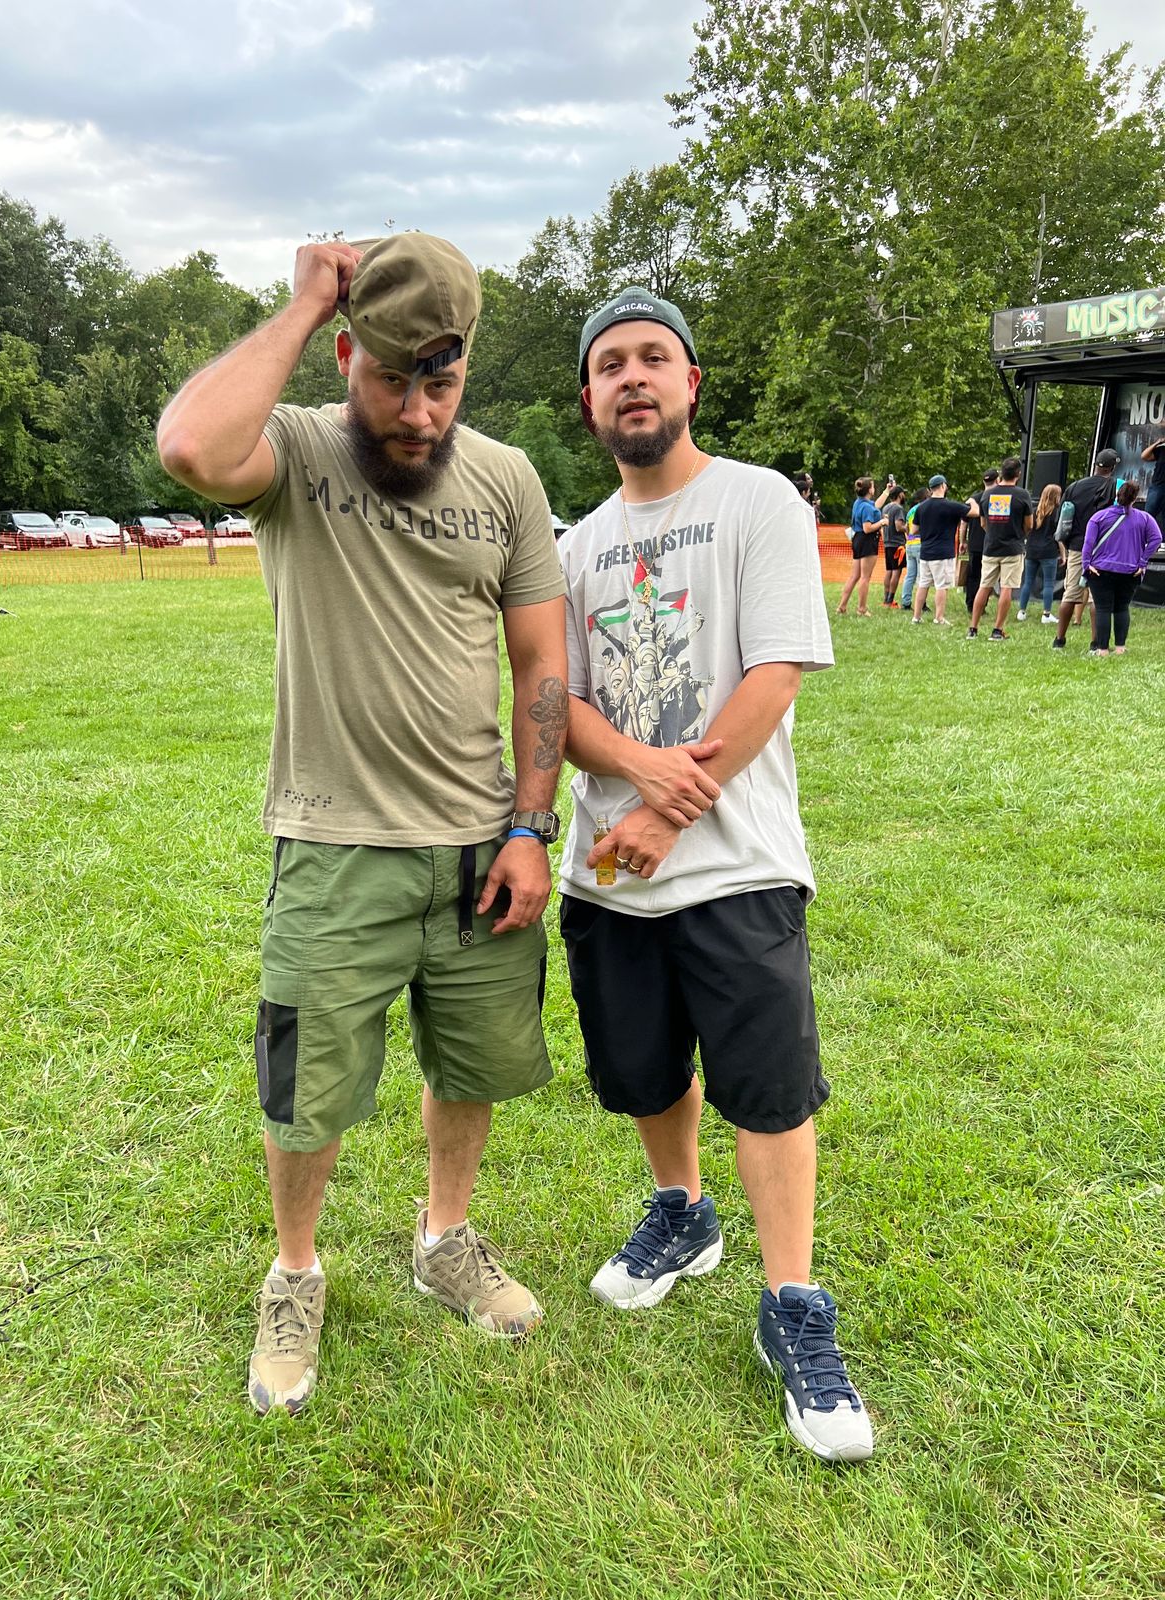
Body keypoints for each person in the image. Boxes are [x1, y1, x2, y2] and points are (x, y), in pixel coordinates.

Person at [157, 234, 568, 1416]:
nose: (419, 411)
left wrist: (531, 827)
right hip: (333, 846)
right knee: (306, 1088)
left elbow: (541, 664)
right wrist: (300, 305)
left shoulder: (508, 479)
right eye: (393, 379)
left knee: (471, 1062)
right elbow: (190, 446)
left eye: (443, 383)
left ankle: (445, 1239)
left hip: (480, 844)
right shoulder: (294, 450)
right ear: (346, 358)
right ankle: (295, 1274)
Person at [556, 285, 873, 1465]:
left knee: (771, 1088)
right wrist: (637, 791)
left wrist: (665, 811)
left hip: (739, 864)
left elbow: (775, 669)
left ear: (690, 382)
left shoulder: (758, 502)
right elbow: (560, 704)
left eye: (654, 357)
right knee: (643, 1071)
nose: (632, 377)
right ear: (589, 400)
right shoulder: (573, 548)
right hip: (609, 875)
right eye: (611, 365)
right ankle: (683, 1214)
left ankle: (792, 1301)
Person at [1081, 478, 1162, 655]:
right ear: (1135, 498)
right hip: (1131, 570)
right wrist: (1143, 561)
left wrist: (1086, 564)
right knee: (1122, 608)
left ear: (1116, 496)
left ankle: (1102, 649)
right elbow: (1156, 538)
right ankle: (1120, 647)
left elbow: (1088, 543)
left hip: (1101, 569)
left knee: (1103, 609)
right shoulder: (1144, 518)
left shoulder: (1099, 517)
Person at [1052, 448, 1118, 651]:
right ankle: (1096, 643)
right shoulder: (1115, 486)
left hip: (1077, 546)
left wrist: (1066, 542)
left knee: (1070, 594)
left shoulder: (1074, 487)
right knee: (1097, 597)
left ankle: (1059, 640)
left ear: (1095, 465)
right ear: (1113, 468)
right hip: (1103, 547)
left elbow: (1062, 518)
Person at [967, 456, 1034, 641]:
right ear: (1018, 474)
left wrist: (993, 533)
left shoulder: (987, 494)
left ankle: (973, 629)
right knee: (1006, 588)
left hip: (990, 547)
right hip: (1013, 548)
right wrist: (1019, 534)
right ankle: (997, 630)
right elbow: (1029, 524)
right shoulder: (1022, 495)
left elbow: (983, 523)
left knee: (984, 586)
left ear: (1001, 474)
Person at [911, 475, 977, 625]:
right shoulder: (951, 506)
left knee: (923, 584)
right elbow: (975, 512)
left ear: (930, 489)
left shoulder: (921, 507)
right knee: (942, 586)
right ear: (943, 486)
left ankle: (916, 617)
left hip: (925, 552)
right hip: (943, 553)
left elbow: (913, 530)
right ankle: (939, 617)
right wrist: (973, 501)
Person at [837, 474, 893, 616]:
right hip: (868, 541)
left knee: (854, 576)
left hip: (858, 540)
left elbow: (876, 506)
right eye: (873, 486)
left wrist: (887, 491)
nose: (874, 488)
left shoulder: (859, 503)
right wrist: (882, 522)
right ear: (869, 490)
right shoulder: (867, 508)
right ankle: (862, 609)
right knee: (865, 577)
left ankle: (842, 607)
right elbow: (867, 528)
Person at [1016, 484, 1062, 624]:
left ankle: (1022, 611)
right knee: (1049, 583)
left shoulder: (1034, 511)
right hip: (1049, 551)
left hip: (1031, 550)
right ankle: (1046, 614)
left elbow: (1027, 528)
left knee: (1028, 581)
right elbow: (1059, 535)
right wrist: (1064, 553)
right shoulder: (1057, 513)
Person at [963, 468, 999, 615]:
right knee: (988, 577)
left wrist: (963, 541)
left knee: (973, 575)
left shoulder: (974, 499)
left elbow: (964, 522)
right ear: (997, 480)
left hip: (974, 543)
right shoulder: (998, 499)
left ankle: (971, 603)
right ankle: (981, 606)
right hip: (991, 543)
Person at [900, 487, 928, 608]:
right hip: (920, 544)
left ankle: (906, 602)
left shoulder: (911, 510)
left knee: (910, 575)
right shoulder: (925, 509)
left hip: (910, 544)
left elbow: (907, 528)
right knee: (922, 576)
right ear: (925, 497)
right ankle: (921, 603)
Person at [881, 487, 908, 607]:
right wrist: (908, 527)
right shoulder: (898, 508)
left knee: (889, 571)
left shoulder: (885, 508)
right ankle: (890, 600)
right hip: (898, 544)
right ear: (899, 495)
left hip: (887, 543)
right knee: (896, 572)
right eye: (903, 493)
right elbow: (898, 526)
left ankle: (886, 599)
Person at [1141, 429, 1165, 534]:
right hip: (1157, 486)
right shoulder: (1162, 449)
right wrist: (1157, 443)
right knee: (1148, 515)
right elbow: (1144, 456)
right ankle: (1143, 538)